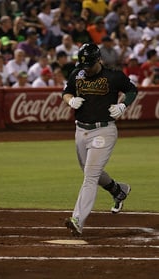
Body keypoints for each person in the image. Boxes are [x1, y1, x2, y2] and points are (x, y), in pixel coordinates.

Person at [62, 43, 138, 236]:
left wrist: (122, 106)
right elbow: (66, 92)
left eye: (89, 65)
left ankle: (77, 219)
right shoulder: (77, 73)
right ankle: (118, 190)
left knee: (90, 176)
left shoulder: (113, 76)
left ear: (98, 60)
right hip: (81, 130)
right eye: (83, 65)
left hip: (103, 131)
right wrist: (70, 100)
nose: (85, 69)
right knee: (89, 171)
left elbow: (132, 90)